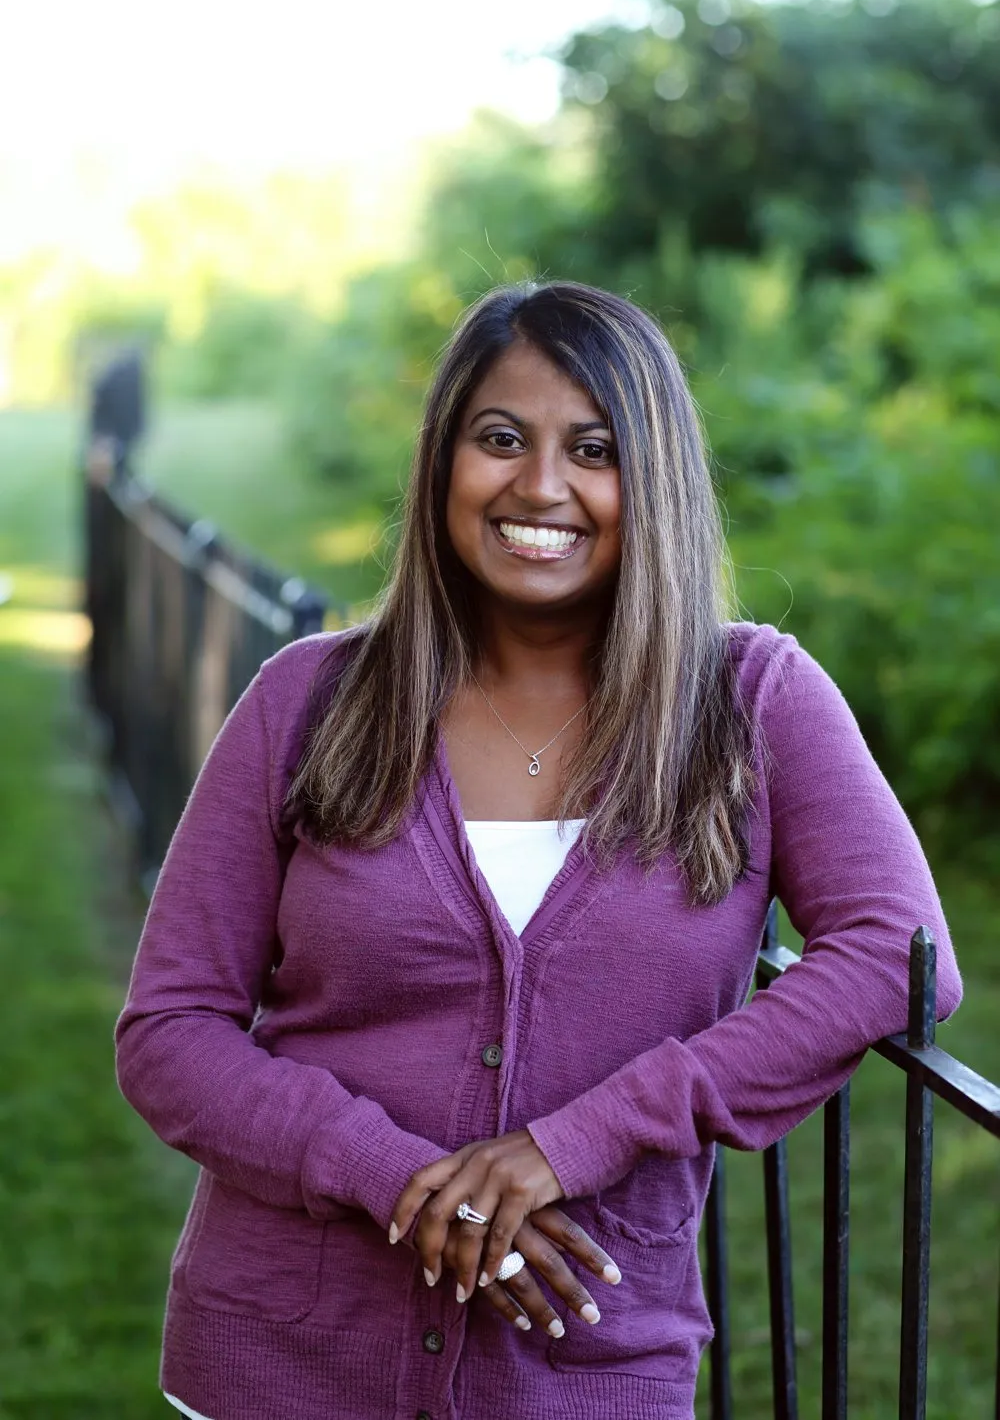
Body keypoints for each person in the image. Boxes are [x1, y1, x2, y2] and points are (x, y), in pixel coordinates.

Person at [115, 281, 962, 1420]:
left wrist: (577, 1142)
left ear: (651, 478)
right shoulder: (307, 702)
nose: (540, 486)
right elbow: (169, 1033)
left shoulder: (752, 701)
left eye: (594, 448)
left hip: (587, 1370)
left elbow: (895, 957)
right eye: (499, 438)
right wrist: (399, 1178)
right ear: (442, 461)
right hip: (280, 1360)